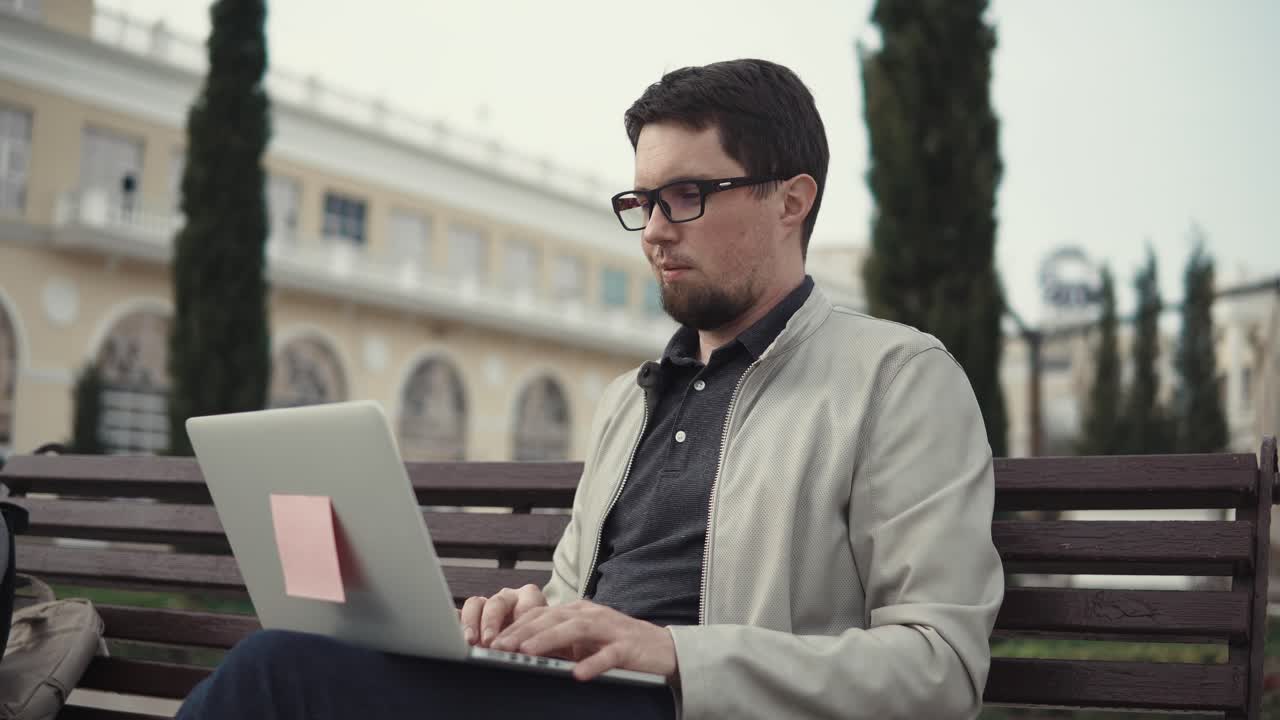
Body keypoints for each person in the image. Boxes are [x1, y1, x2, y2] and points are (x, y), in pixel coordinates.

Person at [176, 58, 1004, 720]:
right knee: (293, 659)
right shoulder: (631, 401)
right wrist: (520, 623)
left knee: (279, 674)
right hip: (573, 700)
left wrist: (676, 654)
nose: (653, 231)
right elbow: (582, 607)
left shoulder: (896, 376)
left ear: (791, 201)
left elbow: (939, 670)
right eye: (642, 201)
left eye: (688, 195)